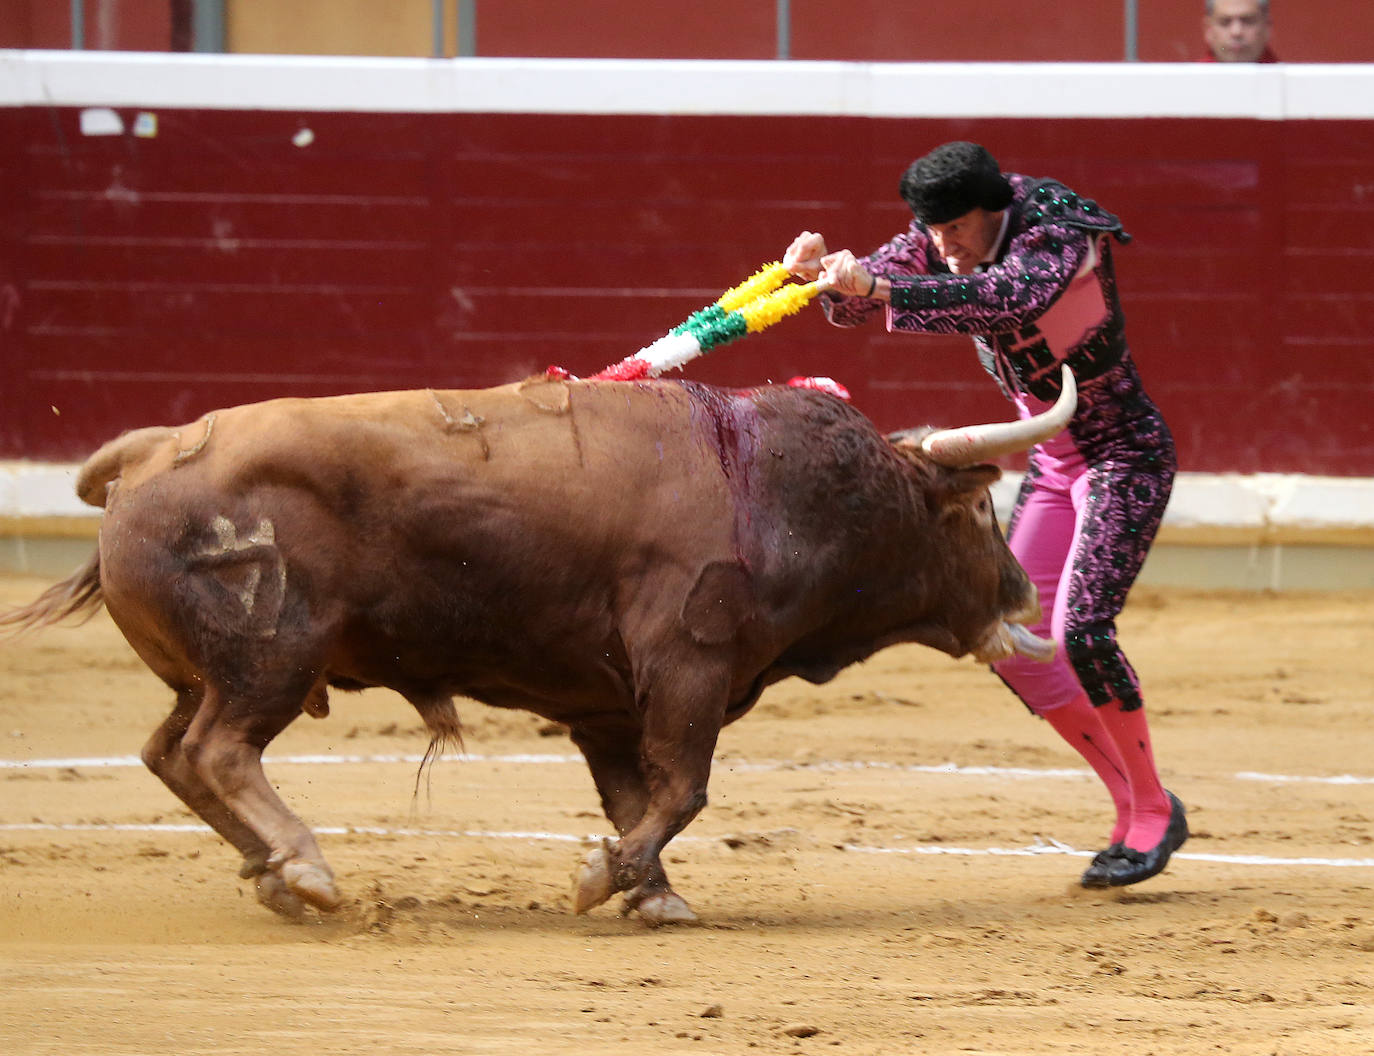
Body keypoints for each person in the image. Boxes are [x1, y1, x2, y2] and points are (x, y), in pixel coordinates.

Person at [782, 141, 1186, 888]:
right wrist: (819, 279)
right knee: (1012, 642)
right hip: (1057, 463)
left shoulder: (1054, 225)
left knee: (1082, 632)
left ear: (991, 209)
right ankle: (1136, 803)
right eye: (932, 232)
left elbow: (1013, 297)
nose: (943, 247)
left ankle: (1153, 814)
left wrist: (877, 285)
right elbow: (858, 304)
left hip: (1122, 455)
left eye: (956, 231)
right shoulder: (940, 234)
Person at [1202, 0, 1278, 63]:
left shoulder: (1287, 80)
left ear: (1266, 26)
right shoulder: (1191, 80)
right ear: (1208, 29)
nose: (1236, 32)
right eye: (1225, 22)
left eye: (1248, 21)